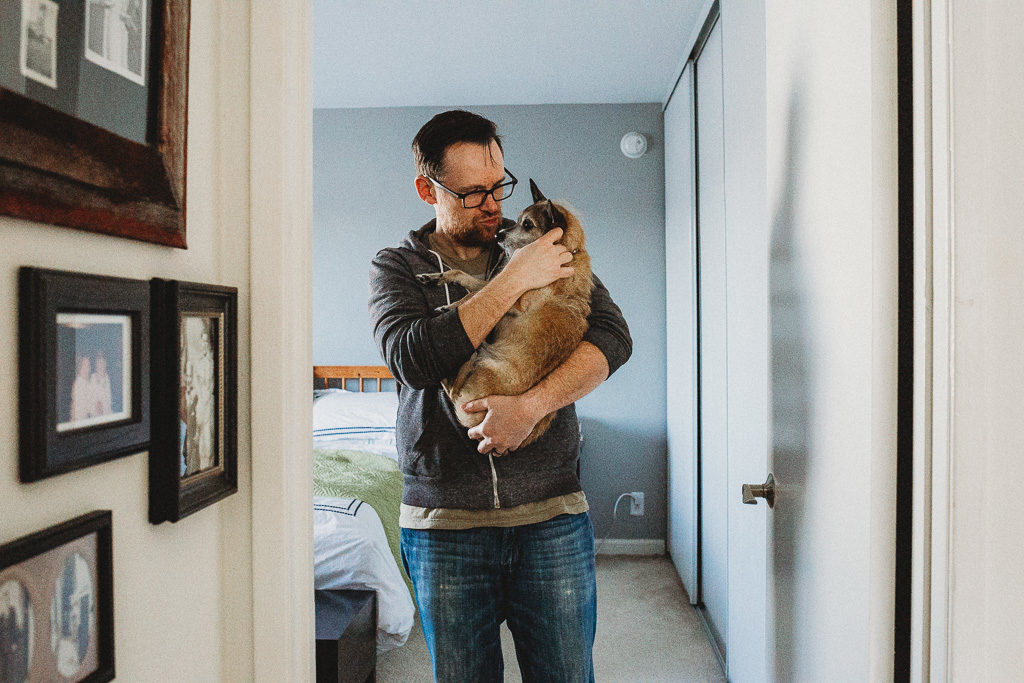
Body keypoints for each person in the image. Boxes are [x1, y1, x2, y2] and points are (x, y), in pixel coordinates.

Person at [368, 110, 631, 682]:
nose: (493, 205)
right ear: (427, 189)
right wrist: (515, 276)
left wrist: (530, 408)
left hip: (551, 516)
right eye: (472, 193)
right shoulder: (398, 266)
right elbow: (410, 358)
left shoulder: (546, 241)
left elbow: (613, 337)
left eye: (499, 186)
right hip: (444, 526)